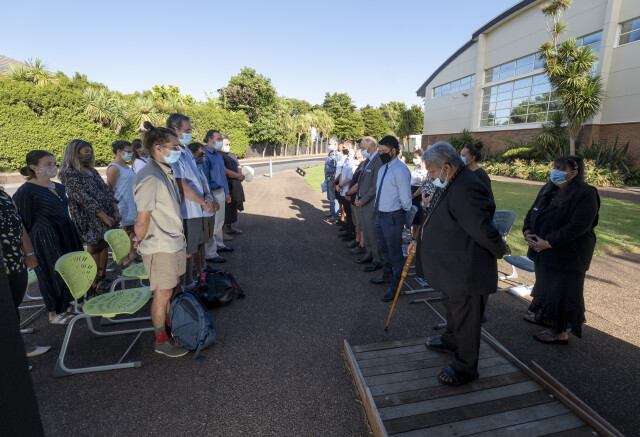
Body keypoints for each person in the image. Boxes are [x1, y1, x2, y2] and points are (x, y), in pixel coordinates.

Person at [418, 142, 508, 387]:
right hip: (452, 266)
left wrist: (500, 248)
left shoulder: (467, 185)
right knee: (452, 308)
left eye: (432, 171)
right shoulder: (452, 181)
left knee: (466, 319)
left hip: (466, 269)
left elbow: (480, 227)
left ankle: (465, 368)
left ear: (446, 167)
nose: (430, 176)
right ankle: (451, 340)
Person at [523, 155, 599, 345]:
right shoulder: (548, 188)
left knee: (562, 291)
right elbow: (532, 211)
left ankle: (560, 332)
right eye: (554, 166)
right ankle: (544, 317)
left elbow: (578, 226)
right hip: (542, 250)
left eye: (560, 168)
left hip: (568, 254)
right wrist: (527, 232)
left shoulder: (585, 193)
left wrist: (549, 242)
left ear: (574, 173)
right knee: (545, 286)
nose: (555, 170)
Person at [133, 121, 188, 358]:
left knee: (167, 291)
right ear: (158, 148)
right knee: (162, 294)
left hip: (172, 242)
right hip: (160, 245)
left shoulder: (164, 171)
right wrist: (138, 241)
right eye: (174, 147)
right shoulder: (150, 177)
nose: (179, 150)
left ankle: (167, 331)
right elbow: (142, 219)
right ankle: (161, 341)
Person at [13, 150, 84, 324]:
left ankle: (68, 303)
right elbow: (23, 220)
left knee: (70, 269)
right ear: (33, 167)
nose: (53, 167)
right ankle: (53, 312)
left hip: (66, 233)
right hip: (45, 238)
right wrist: (30, 247)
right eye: (48, 164)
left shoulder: (58, 186)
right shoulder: (26, 191)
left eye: (54, 164)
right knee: (51, 273)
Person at [60, 140, 120, 295]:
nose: (89, 154)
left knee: (104, 245)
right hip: (88, 217)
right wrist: (104, 217)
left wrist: (115, 209)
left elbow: (106, 190)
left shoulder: (91, 170)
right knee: (93, 247)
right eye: (86, 151)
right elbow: (84, 199)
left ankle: (102, 277)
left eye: (90, 151)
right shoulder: (69, 173)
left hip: (106, 213)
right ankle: (92, 284)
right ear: (75, 153)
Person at [1, 184, 51, 358]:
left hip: (14, 262)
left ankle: (15, 347)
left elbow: (19, 224)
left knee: (12, 307)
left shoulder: (3, 196)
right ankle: (14, 354)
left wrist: (29, 252)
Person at [166, 113, 215, 288]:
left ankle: (189, 283)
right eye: (186, 130)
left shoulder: (185, 150)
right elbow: (181, 184)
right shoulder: (173, 153)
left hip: (196, 209)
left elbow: (196, 177)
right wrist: (203, 202)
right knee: (186, 253)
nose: (189, 133)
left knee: (192, 249)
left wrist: (207, 196)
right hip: (186, 211)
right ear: (175, 129)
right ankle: (185, 287)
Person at [369, 136, 412, 302]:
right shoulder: (383, 168)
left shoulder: (400, 170)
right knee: (385, 249)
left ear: (394, 151)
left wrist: (401, 214)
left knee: (394, 253)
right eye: (379, 151)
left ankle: (396, 287)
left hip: (393, 216)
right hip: (381, 215)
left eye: (384, 151)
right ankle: (386, 276)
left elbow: (406, 199)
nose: (381, 154)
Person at [188, 142, 219, 277]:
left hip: (204, 207)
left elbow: (204, 186)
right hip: (196, 209)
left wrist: (209, 198)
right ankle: (199, 270)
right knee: (196, 243)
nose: (203, 157)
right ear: (192, 153)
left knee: (202, 241)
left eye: (204, 154)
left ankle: (203, 265)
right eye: (201, 154)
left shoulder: (198, 168)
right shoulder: (189, 168)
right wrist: (204, 202)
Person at [202, 130, 233, 263]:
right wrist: (209, 197)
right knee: (212, 225)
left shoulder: (218, 154)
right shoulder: (205, 155)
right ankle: (210, 253)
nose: (221, 141)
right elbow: (205, 179)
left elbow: (222, 175)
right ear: (210, 140)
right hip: (212, 193)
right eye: (219, 139)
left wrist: (226, 192)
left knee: (219, 222)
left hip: (220, 191)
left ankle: (219, 245)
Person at [106, 140, 139, 267]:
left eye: (131, 151)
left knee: (132, 230)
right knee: (125, 231)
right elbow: (109, 189)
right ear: (119, 151)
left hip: (131, 203)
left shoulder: (125, 166)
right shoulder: (114, 167)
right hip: (122, 204)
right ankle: (126, 259)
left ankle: (133, 255)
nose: (130, 154)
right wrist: (114, 207)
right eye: (128, 151)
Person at [354, 137, 383, 271]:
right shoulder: (369, 160)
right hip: (363, 201)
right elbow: (362, 181)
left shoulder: (378, 160)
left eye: (363, 148)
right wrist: (358, 195)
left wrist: (363, 199)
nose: (361, 150)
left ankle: (377, 260)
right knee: (366, 231)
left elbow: (375, 186)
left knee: (372, 233)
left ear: (372, 145)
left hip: (371, 203)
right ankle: (369, 254)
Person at [221, 135, 245, 238]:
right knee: (224, 209)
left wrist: (239, 173)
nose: (228, 146)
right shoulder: (219, 155)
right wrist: (238, 176)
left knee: (232, 207)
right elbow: (225, 171)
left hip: (234, 184)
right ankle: (222, 232)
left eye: (229, 144)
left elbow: (238, 166)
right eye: (226, 144)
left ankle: (230, 227)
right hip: (225, 185)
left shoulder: (232, 155)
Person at [344, 148, 367, 255]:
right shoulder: (360, 166)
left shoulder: (363, 167)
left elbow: (357, 185)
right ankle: (357, 241)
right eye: (355, 157)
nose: (355, 159)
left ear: (364, 157)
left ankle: (361, 245)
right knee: (356, 223)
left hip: (357, 200)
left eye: (357, 157)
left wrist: (348, 193)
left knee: (360, 224)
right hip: (353, 199)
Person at [336, 140, 358, 243]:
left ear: (349, 148)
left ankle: (351, 234)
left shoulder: (353, 160)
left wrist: (341, 185)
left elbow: (350, 177)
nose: (342, 149)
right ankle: (348, 231)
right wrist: (339, 185)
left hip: (348, 190)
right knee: (347, 212)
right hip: (343, 189)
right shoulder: (347, 158)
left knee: (350, 214)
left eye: (344, 147)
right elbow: (342, 173)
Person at [410, 149, 428, 238]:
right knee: (413, 216)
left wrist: (414, 195)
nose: (414, 159)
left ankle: (417, 237)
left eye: (416, 157)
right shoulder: (415, 168)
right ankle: (413, 236)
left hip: (419, 195)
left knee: (419, 217)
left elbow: (423, 185)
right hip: (412, 192)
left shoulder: (425, 170)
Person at [324, 138, 341, 221]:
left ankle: (335, 215)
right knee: (330, 197)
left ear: (335, 144)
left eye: (330, 144)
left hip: (333, 179)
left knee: (334, 198)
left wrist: (334, 177)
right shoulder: (331, 153)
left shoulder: (338, 154)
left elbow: (339, 167)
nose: (328, 145)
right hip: (328, 178)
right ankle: (331, 212)